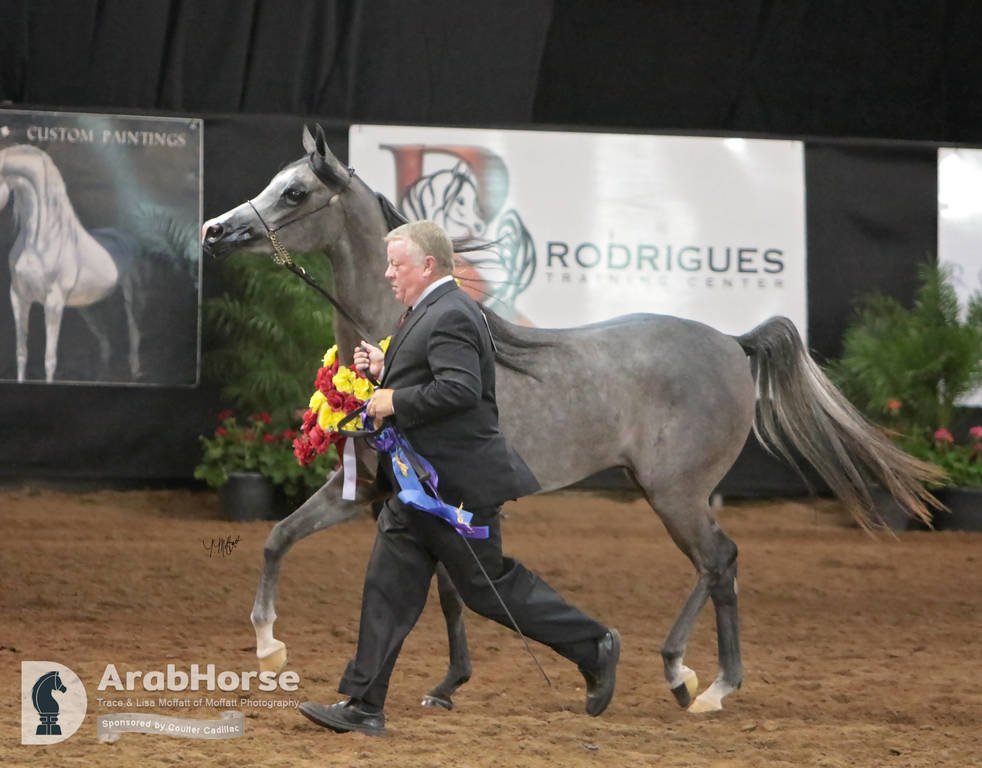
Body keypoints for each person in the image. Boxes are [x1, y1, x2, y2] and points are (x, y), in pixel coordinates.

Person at [299, 220, 619, 736]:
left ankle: (594, 645)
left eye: (396, 265)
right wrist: (388, 368)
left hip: (455, 490)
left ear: (427, 265)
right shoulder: (430, 311)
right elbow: (434, 377)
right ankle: (363, 705)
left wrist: (393, 399)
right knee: (388, 585)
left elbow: (461, 390)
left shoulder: (451, 314)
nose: (387, 274)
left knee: (488, 589)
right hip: (419, 489)